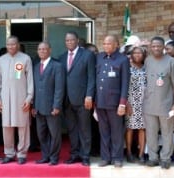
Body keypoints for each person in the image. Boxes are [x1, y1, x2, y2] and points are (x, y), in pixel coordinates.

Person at [0, 36, 34, 165]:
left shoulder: (25, 58)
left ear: (18, 45)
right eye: (8, 44)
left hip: (21, 98)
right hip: (5, 99)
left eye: (13, 44)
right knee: (7, 127)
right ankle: (9, 153)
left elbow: (30, 81)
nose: (11, 46)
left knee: (23, 127)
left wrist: (29, 98)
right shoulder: (1, 60)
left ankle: (22, 154)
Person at [59, 31, 96, 166]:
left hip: (83, 99)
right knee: (72, 129)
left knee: (85, 128)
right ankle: (75, 154)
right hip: (67, 100)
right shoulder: (62, 58)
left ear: (77, 41)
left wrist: (89, 95)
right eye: (67, 41)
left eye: (71, 40)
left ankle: (85, 155)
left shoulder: (87, 55)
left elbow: (92, 77)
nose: (69, 42)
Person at [143, 36, 174, 169]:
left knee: (167, 132)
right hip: (149, 104)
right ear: (150, 47)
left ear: (164, 47)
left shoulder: (172, 62)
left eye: (159, 46)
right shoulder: (148, 60)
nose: (156, 48)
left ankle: (165, 158)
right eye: (153, 46)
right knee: (151, 132)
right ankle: (153, 158)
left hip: (166, 104)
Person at [95, 35, 130, 168]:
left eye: (109, 44)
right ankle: (105, 157)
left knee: (116, 132)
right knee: (103, 131)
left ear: (116, 44)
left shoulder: (122, 60)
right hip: (100, 101)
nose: (106, 46)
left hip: (115, 102)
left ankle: (117, 158)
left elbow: (125, 83)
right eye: (104, 43)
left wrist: (122, 103)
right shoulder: (99, 57)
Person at [32, 42, 65, 166]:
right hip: (39, 107)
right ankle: (45, 156)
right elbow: (35, 88)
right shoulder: (35, 67)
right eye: (40, 49)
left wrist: (57, 105)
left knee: (54, 134)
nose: (42, 51)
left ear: (50, 50)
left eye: (44, 49)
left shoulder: (57, 66)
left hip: (52, 107)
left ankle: (54, 157)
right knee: (41, 134)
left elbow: (59, 88)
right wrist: (34, 106)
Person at [125, 45, 147, 164]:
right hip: (131, 102)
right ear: (131, 55)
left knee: (143, 128)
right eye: (135, 53)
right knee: (130, 128)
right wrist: (126, 102)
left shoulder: (147, 68)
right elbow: (124, 86)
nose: (137, 55)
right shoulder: (128, 68)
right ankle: (128, 152)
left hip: (145, 102)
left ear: (144, 55)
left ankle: (141, 154)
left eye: (140, 53)